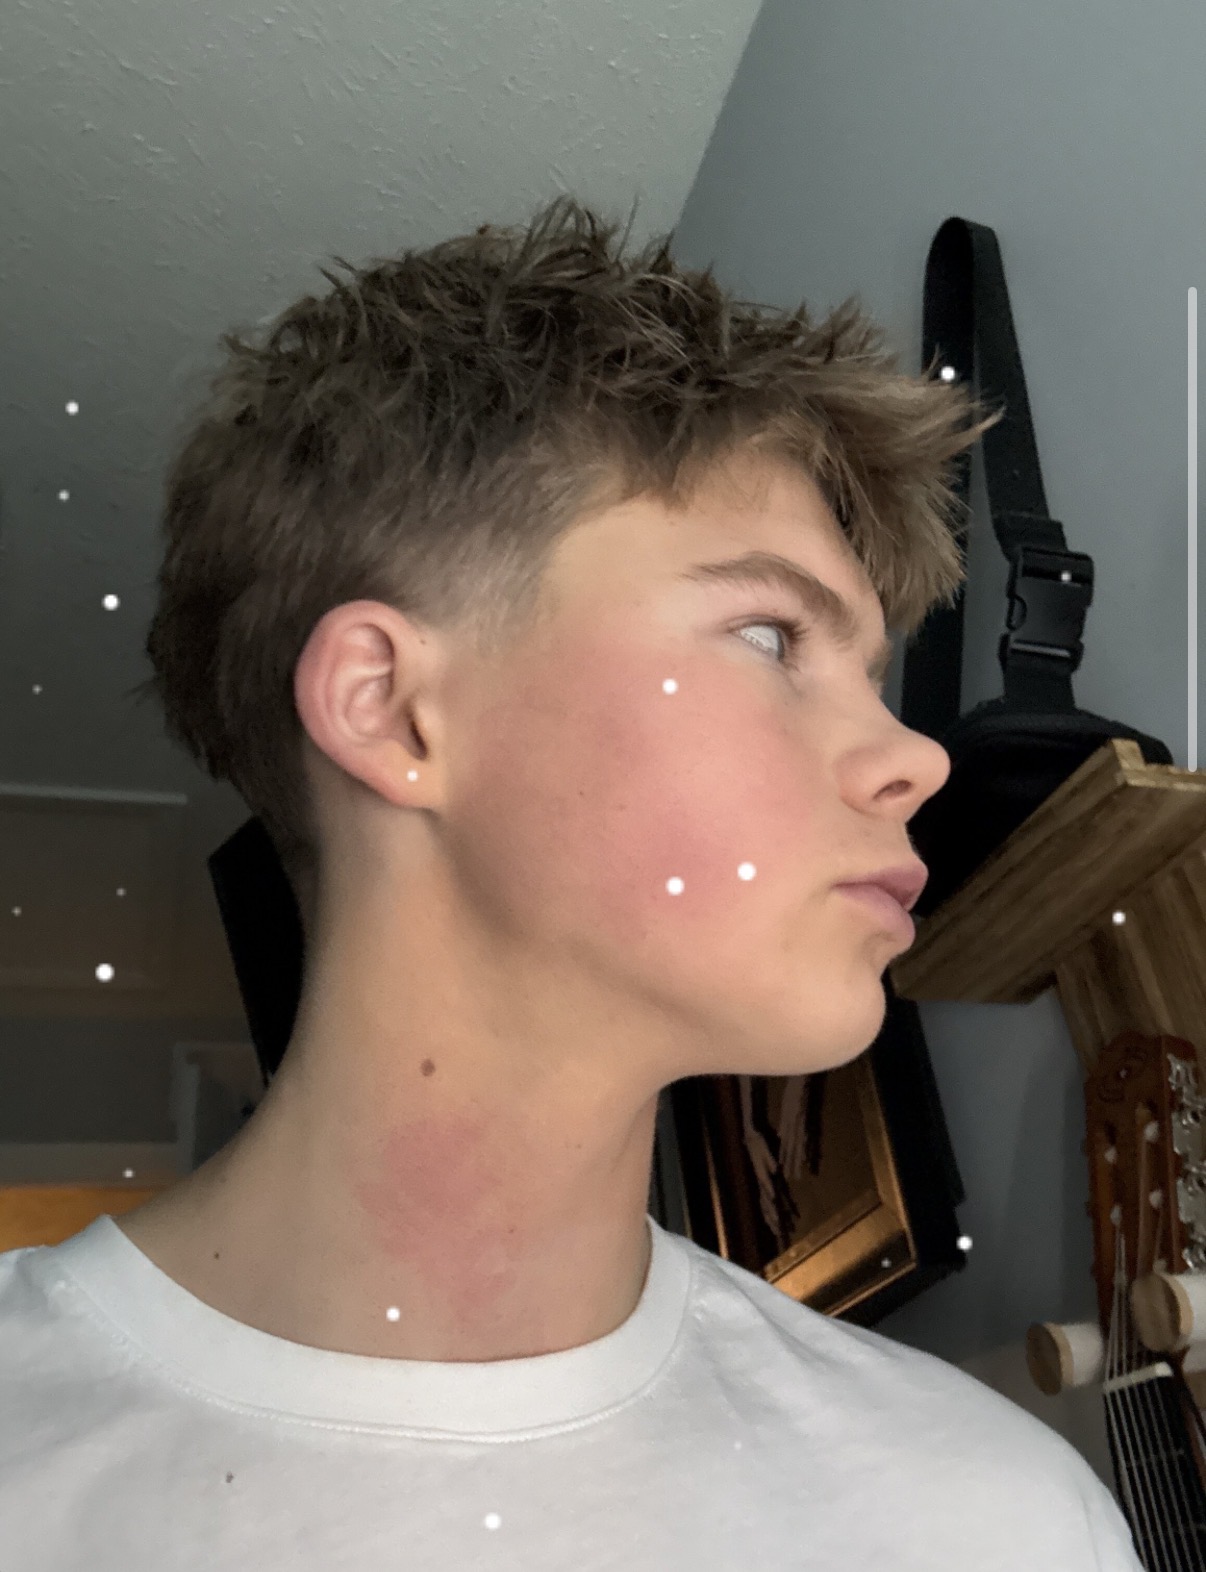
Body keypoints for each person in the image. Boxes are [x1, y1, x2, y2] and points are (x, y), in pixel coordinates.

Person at [0, 197, 1143, 1569]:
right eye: (770, 635)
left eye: (874, 677)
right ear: (394, 710)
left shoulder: (995, 1517)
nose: (916, 757)